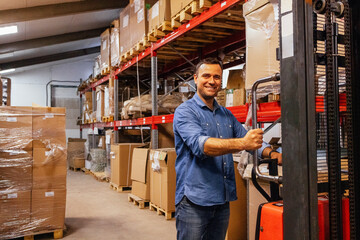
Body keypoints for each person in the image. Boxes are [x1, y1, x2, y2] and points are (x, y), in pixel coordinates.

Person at [173, 58, 282, 240]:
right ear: (196, 79)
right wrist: (243, 143)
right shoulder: (185, 112)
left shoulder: (225, 114)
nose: (212, 81)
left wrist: (274, 154)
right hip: (194, 200)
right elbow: (203, 146)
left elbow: (247, 139)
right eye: (206, 76)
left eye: (217, 77)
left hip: (221, 199)